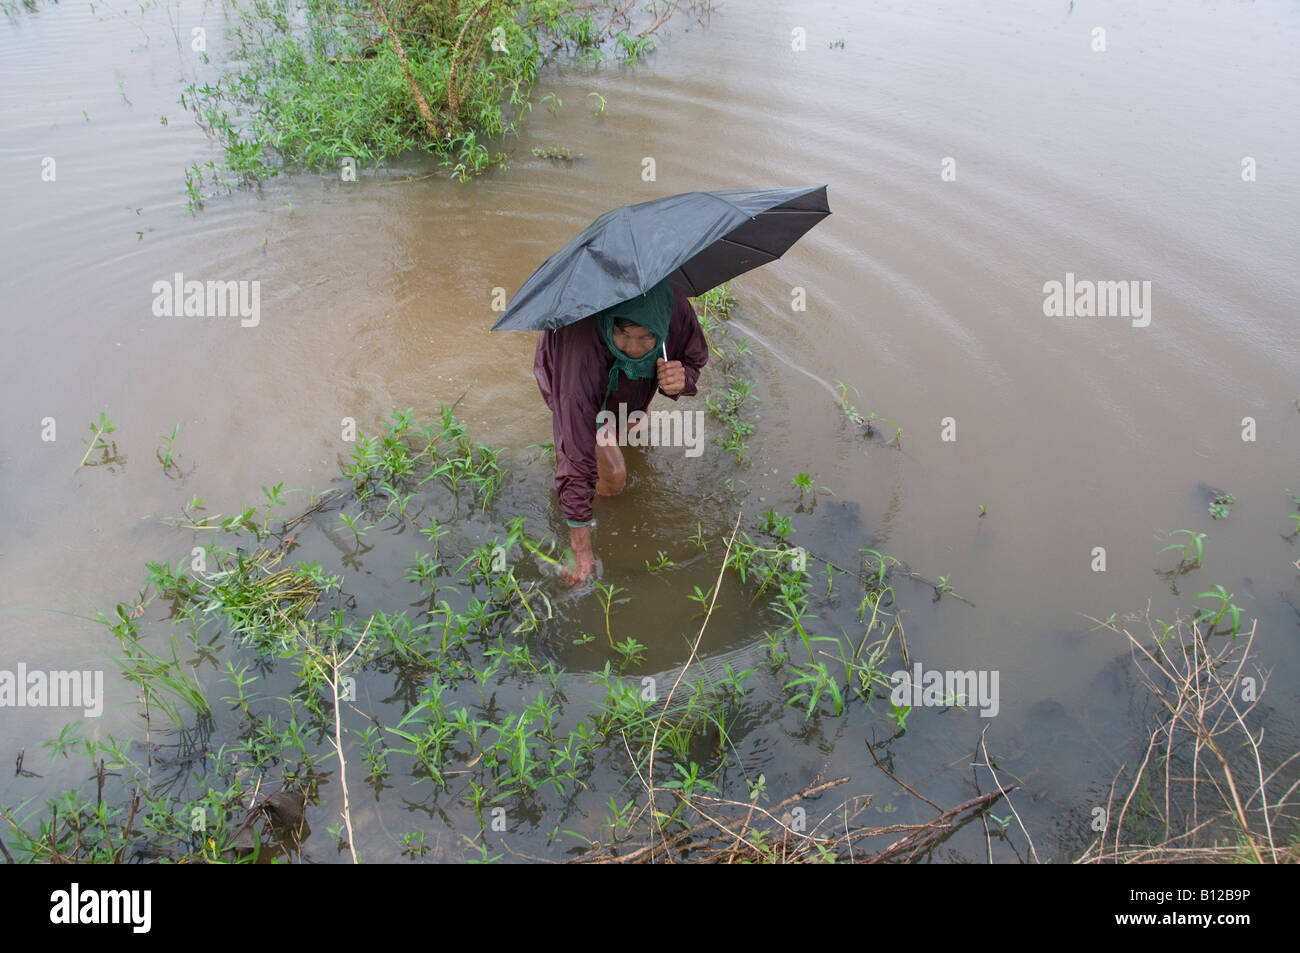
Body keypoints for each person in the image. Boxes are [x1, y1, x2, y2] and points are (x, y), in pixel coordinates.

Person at [533, 277, 709, 586]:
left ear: (661, 327)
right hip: (577, 378)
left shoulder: (675, 308)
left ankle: (596, 472)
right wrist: (580, 544)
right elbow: (577, 442)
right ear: (610, 323)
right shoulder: (580, 350)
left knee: (630, 428)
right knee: (613, 476)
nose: (634, 348)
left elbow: (693, 358)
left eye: (647, 337)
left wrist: (684, 379)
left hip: (632, 390)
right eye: (623, 334)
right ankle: (591, 506)